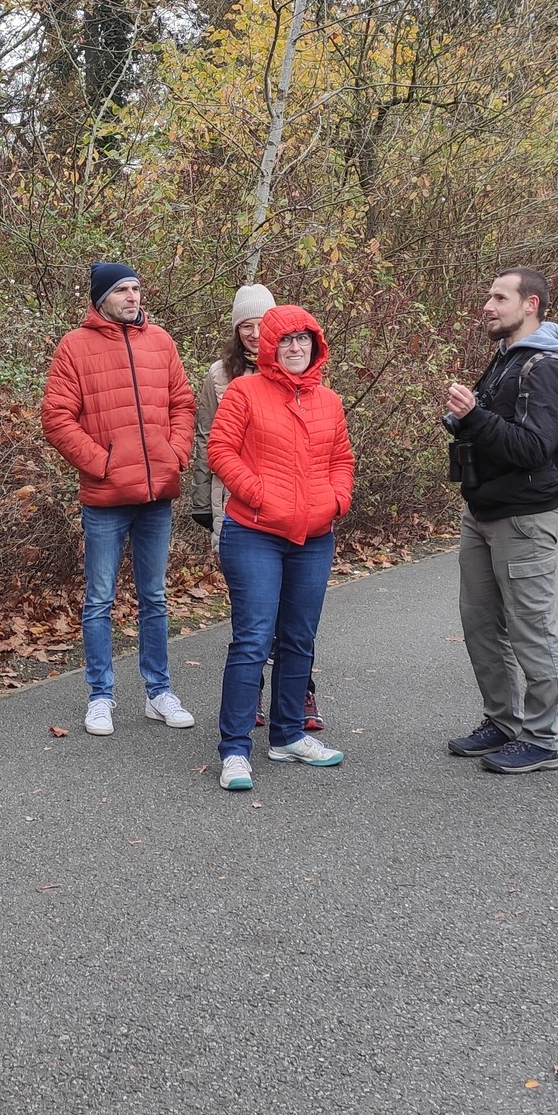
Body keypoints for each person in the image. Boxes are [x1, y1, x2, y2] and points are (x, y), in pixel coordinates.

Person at [41, 262, 199, 737]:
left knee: (154, 597)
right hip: (106, 497)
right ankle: (101, 697)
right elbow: (56, 418)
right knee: (99, 600)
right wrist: (103, 463)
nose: (133, 297)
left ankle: (159, 693)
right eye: (122, 290)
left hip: (156, 497)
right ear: (101, 297)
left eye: (136, 288)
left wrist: (176, 454)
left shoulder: (161, 342)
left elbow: (182, 404)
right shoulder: (75, 347)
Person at [441, 268, 558, 776]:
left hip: (524, 517)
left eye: (499, 297)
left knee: (530, 628)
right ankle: (502, 723)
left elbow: (532, 447)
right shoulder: (506, 361)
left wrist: (475, 417)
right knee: (481, 624)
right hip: (481, 511)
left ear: (531, 305)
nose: (487, 305)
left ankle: (542, 738)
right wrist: (468, 419)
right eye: (487, 296)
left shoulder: (546, 368)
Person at [205, 306, 354, 791]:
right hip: (253, 533)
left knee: (299, 639)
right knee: (252, 639)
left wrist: (337, 500)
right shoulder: (245, 391)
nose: (295, 347)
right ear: (268, 345)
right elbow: (220, 450)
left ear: (315, 345)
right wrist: (260, 494)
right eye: (286, 339)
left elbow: (341, 459)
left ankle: (289, 734)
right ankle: (234, 749)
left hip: (314, 537)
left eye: (303, 339)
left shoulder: (329, 401)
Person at [190, 285, 324, 732]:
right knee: (254, 616)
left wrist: (332, 499)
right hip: (240, 510)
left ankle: (300, 695)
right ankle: (253, 701)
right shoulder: (219, 377)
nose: (253, 332)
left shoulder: (306, 372)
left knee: (296, 616)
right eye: (244, 325)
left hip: (299, 515)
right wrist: (204, 505)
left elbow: (324, 445)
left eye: (261, 324)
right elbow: (209, 441)